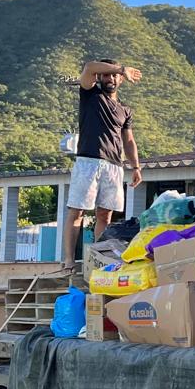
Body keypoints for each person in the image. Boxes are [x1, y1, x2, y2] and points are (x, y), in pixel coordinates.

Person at [63, 58, 144, 268]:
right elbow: (89, 67)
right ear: (100, 77)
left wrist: (136, 167)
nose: (111, 78)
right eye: (107, 74)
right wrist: (122, 68)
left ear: (121, 81)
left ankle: (99, 261)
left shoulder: (125, 110)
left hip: (114, 166)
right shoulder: (90, 94)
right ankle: (69, 261)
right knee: (77, 212)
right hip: (87, 161)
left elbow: (129, 140)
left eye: (114, 75)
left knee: (104, 215)